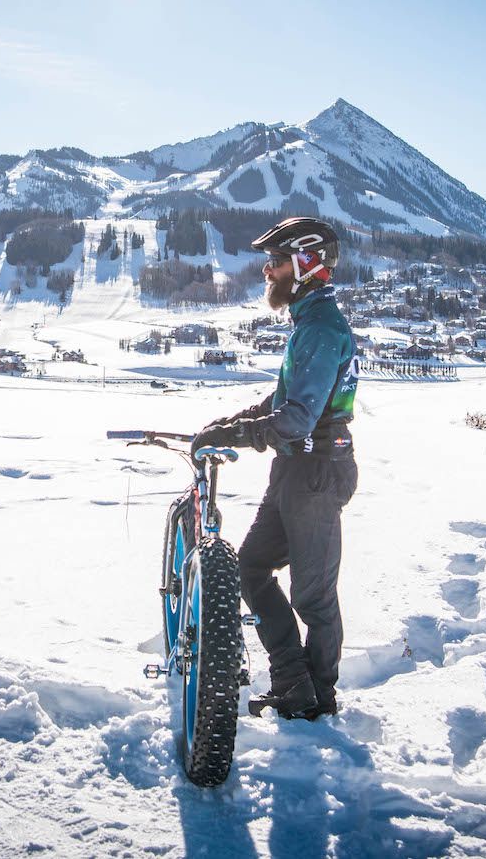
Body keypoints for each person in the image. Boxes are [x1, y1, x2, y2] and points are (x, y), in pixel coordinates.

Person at [191, 216, 358, 720]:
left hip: (316, 473)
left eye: (277, 261)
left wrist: (244, 434)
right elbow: (287, 397)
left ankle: (318, 700)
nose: (267, 270)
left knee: (314, 598)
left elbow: (298, 417)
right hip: (294, 472)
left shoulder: (323, 328)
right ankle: (293, 679)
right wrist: (233, 422)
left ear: (306, 265)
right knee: (251, 569)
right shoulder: (310, 322)